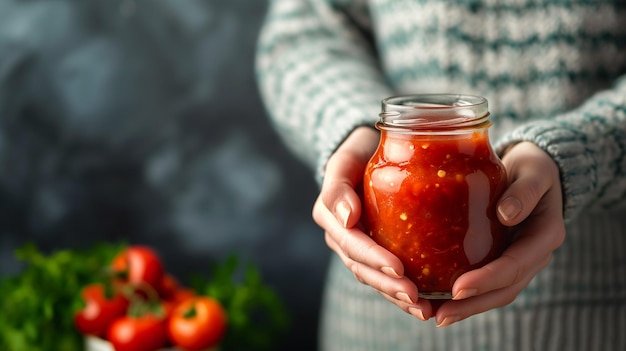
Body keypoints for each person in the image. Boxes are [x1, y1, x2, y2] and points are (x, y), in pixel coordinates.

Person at [256, 0, 626, 350]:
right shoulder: (385, 170)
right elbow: (301, 34)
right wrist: (353, 127)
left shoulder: (482, 169)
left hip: (594, 318)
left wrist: (584, 149)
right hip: (376, 327)